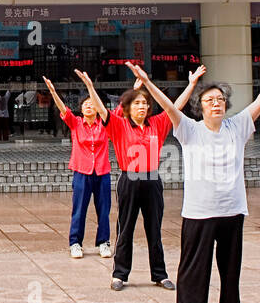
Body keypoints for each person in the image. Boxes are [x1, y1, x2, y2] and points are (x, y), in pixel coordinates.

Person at [131, 48, 260, 303]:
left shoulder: (237, 126)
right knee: (193, 268)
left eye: (220, 100)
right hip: (199, 212)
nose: (216, 104)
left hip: (232, 210)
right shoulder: (189, 130)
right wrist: (147, 83)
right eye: (210, 100)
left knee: (230, 269)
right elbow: (170, 108)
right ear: (200, 106)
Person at [76, 66, 205, 291]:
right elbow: (100, 109)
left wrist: (191, 85)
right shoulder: (118, 125)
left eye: (145, 103)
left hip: (153, 181)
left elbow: (175, 107)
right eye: (137, 103)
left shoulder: (158, 123)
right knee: (125, 229)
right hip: (129, 181)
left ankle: (159, 274)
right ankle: (119, 275)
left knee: (154, 229)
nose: (142, 107)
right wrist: (89, 86)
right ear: (127, 108)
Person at [42, 78, 112, 259]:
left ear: (98, 108)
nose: (89, 106)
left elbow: (120, 111)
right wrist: (53, 92)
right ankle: (75, 243)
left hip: (102, 172)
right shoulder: (76, 123)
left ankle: (104, 242)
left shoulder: (105, 124)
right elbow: (63, 109)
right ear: (81, 110)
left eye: (92, 104)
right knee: (79, 209)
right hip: (82, 172)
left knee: (104, 209)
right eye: (85, 104)